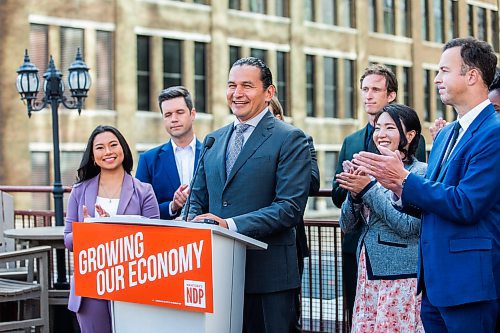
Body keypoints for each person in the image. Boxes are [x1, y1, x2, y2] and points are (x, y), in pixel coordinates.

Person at [353, 37, 499, 332]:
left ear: (471, 76)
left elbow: (466, 204)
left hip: (469, 284)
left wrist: (404, 179)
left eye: (444, 71)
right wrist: (395, 187)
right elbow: (432, 198)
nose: (436, 79)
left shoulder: (494, 133)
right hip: (433, 285)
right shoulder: (445, 136)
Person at [184, 57, 312, 332]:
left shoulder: (290, 138)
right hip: (218, 274)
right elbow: (197, 198)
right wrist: (195, 220)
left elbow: (289, 208)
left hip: (269, 277)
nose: (237, 93)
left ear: (269, 93)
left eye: (247, 85)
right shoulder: (214, 139)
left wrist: (228, 226)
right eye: (231, 85)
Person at [331, 64, 427, 320]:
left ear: (409, 135)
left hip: (400, 270)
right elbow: (345, 217)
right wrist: (353, 190)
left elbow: (410, 222)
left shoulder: (420, 170)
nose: (381, 134)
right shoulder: (352, 142)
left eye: (390, 129)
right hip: (365, 259)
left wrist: (369, 189)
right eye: (364, 89)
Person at [64, 125, 160, 333]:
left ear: (123, 149)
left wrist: (113, 227)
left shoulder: (144, 191)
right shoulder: (79, 191)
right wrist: (89, 229)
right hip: (91, 286)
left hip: (133, 283)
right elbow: (68, 241)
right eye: (100, 147)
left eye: (113, 145)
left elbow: (155, 242)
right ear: (92, 156)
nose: (107, 152)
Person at [269, 96, 320, 331]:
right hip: (250, 236)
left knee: (288, 310)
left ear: (279, 118)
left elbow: (312, 183)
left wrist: (280, 164)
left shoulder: (299, 141)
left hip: (289, 239)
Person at [136, 86, 202, 220]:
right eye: (168, 114)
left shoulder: (212, 154)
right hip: (164, 237)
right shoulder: (148, 160)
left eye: (179, 112)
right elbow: (139, 208)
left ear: (192, 114)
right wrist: (173, 206)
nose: (174, 119)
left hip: (208, 235)